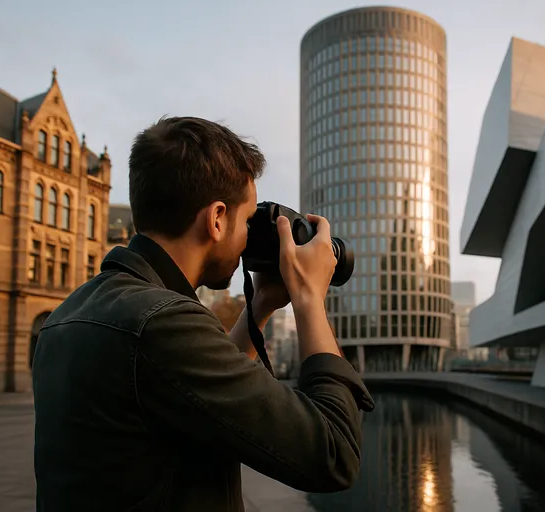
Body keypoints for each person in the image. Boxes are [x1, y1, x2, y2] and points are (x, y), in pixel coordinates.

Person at [31, 116, 375, 511]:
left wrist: (260, 304)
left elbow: (194, 390)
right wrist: (309, 297)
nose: (249, 236)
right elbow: (333, 455)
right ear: (216, 219)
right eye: (246, 220)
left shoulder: (73, 311)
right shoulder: (161, 323)